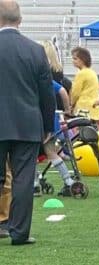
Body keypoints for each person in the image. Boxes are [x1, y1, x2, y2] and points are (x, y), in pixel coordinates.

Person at [0, 0, 54, 245]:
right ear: (20, 20)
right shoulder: (36, 50)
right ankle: (19, 232)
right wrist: (48, 126)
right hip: (27, 122)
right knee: (23, 178)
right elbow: (47, 94)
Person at [69, 47, 99, 120]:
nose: (73, 61)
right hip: (94, 108)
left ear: (83, 60)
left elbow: (75, 93)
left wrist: (71, 104)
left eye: (75, 59)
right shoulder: (92, 72)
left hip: (83, 109)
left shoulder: (81, 74)